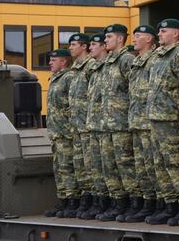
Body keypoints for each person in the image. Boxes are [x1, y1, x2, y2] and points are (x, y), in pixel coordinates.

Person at [146, 18, 179, 225]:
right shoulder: (156, 57)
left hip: (172, 119)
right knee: (160, 164)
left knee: (176, 164)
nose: (160, 34)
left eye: (164, 31)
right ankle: (170, 205)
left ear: (176, 34)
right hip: (156, 119)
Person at [96, 24, 139, 222]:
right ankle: (118, 203)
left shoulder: (127, 60)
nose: (105, 40)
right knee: (110, 167)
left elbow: (135, 90)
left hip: (121, 125)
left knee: (126, 166)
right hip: (107, 125)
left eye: (109, 36)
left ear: (120, 39)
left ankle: (133, 204)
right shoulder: (107, 62)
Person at [125, 25, 162, 222]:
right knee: (141, 167)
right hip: (137, 121)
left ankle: (160, 203)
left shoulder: (154, 60)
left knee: (154, 165)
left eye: (138, 36)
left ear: (149, 39)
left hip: (150, 121)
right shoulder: (137, 62)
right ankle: (147, 204)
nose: (134, 38)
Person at [79, 34, 111, 220]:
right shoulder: (95, 68)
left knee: (114, 166)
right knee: (95, 167)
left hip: (109, 124)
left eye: (94, 44)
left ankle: (118, 203)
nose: (91, 47)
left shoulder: (115, 64)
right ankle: (98, 202)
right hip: (93, 124)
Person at [44, 49, 77, 218]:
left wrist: (70, 128)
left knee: (67, 168)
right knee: (59, 168)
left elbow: (74, 104)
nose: (50, 62)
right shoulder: (55, 79)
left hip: (66, 132)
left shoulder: (69, 77)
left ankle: (72, 202)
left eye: (53, 59)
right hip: (56, 132)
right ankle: (63, 200)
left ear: (64, 62)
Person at [66, 33, 95, 218]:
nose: (70, 48)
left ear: (83, 47)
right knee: (80, 167)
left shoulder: (91, 66)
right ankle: (84, 202)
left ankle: (94, 201)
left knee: (91, 165)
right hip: (76, 126)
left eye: (74, 44)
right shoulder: (75, 69)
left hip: (88, 124)